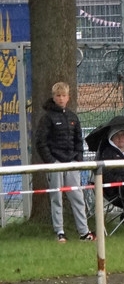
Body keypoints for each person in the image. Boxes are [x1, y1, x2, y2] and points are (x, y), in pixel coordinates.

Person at [34, 82, 93, 242]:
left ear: (68, 97)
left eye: (63, 95)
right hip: (56, 163)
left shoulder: (73, 117)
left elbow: (78, 140)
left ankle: (84, 232)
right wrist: (51, 161)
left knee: (77, 197)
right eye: (58, 95)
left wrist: (78, 159)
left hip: (72, 162)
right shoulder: (47, 118)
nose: (61, 98)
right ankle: (59, 231)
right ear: (53, 97)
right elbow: (40, 141)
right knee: (56, 197)